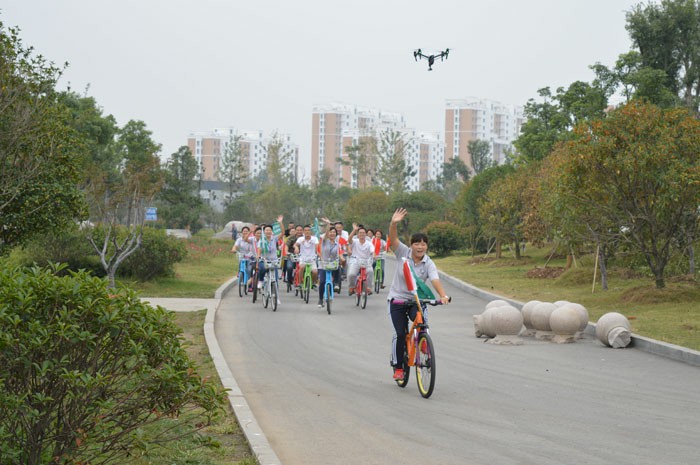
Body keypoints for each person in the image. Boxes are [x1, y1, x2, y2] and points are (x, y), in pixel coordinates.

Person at [386, 208, 450, 381]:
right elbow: (393, 239)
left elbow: (435, 279)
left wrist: (443, 295)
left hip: (416, 301)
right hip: (397, 301)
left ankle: (422, 342)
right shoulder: (402, 253)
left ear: (426, 246)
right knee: (400, 334)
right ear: (411, 245)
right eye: (416, 243)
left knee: (422, 324)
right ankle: (399, 366)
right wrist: (393, 224)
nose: (420, 247)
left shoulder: (428, 262)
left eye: (423, 244)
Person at [256, 215, 284, 290]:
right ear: (264, 232)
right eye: (266, 230)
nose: (268, 231)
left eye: (269, 230)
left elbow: (283, 233)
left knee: (275, 278)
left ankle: (276, 297)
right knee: (263, 269)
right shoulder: (262, 240)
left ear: (272, 231)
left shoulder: (274, 238)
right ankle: (261, 281)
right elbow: (259, 249)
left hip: (274, 261)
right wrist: (258, 257)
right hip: (264, 260)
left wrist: (280, 223)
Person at [347, 223, 374, 296]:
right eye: (360, 233)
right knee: (351, 274)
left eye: (363, 233)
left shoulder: (369, 243)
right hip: (355, 261)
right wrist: (354, 230)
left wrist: (374, 256)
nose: (362, 234)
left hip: (366, 261)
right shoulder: (355, 241)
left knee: (370, 271)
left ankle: (368, 288)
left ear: (366, 234)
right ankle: (351, 287)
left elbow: (372, 251)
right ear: (358, 235)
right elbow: (349, 239)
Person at [317, 223, 341, 307]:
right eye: (330, 232)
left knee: (338, 266)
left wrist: (341, 258)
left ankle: (336, 283)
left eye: (334, 232)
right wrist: (328, 224)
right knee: (322, 282)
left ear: (336, 234)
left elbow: (339, 253)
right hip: (323, 264)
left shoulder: (337, 244)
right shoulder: (324, 241)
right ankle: (320, 300)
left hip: (333, 264)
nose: (332, 233)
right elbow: (325, 234)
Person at [231, 225, 255, 291]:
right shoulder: (239, 240)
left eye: (247, 231)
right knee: (240, 262)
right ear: (242, 232)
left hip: (250, 256)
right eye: (244, 231)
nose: (245, 232)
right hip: (242, 256)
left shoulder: (251, 239)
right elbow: (235, 246)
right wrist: (234, 250)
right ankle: (240, 272)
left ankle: (250, 285)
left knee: (249, 270)